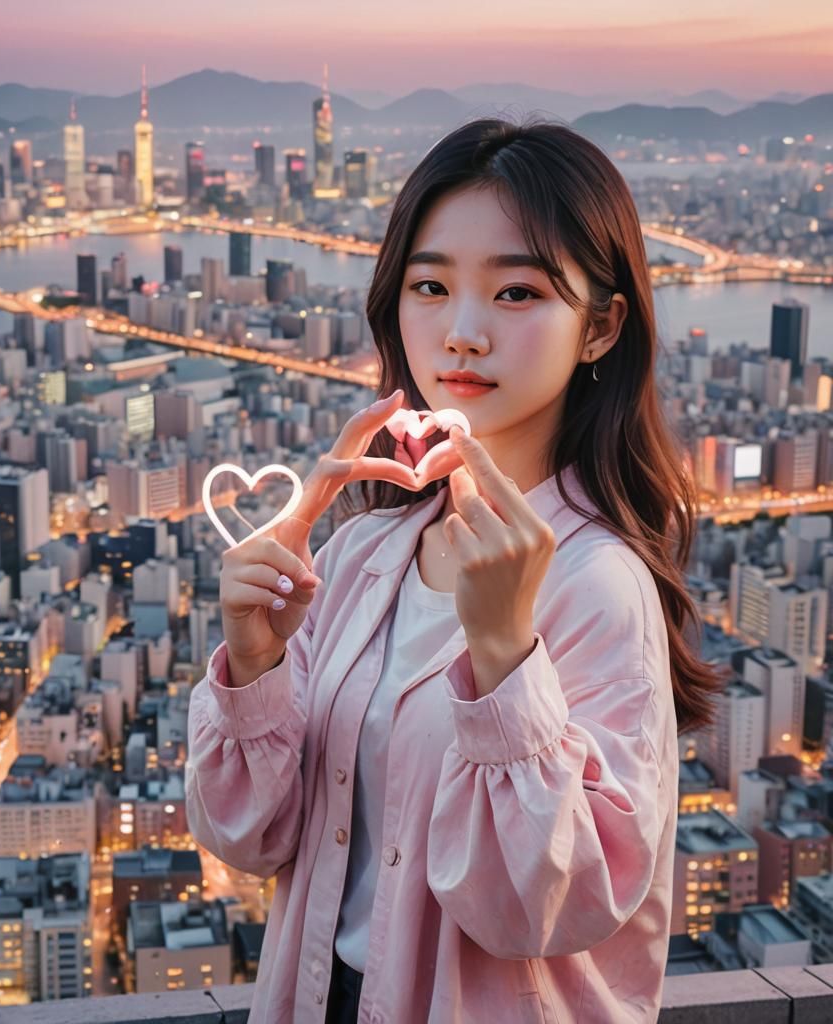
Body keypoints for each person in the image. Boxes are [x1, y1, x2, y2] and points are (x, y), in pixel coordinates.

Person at [185, 116, 723, 1023]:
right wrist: (255, 666)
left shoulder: (596, 584)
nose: (462, 332)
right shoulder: (360, 553)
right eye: (429, 285)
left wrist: (507, 651)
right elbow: (249, 835)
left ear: (601, 328)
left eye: (517, 294)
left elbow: (543, 911)